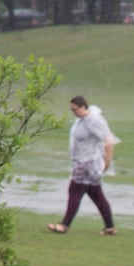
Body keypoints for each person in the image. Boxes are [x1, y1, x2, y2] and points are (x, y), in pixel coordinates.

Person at [47, 95, 119, 235]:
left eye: (75, 110)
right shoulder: (81, 121)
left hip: (89, 163)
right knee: (97, 195)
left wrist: (107, 161)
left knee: (74, 191)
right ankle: (109, 227)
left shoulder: (94, 120)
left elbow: (108, 140)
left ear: (83, 107)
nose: (73, 113)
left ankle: (64, 225)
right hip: (82, 161)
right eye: (71, 110)